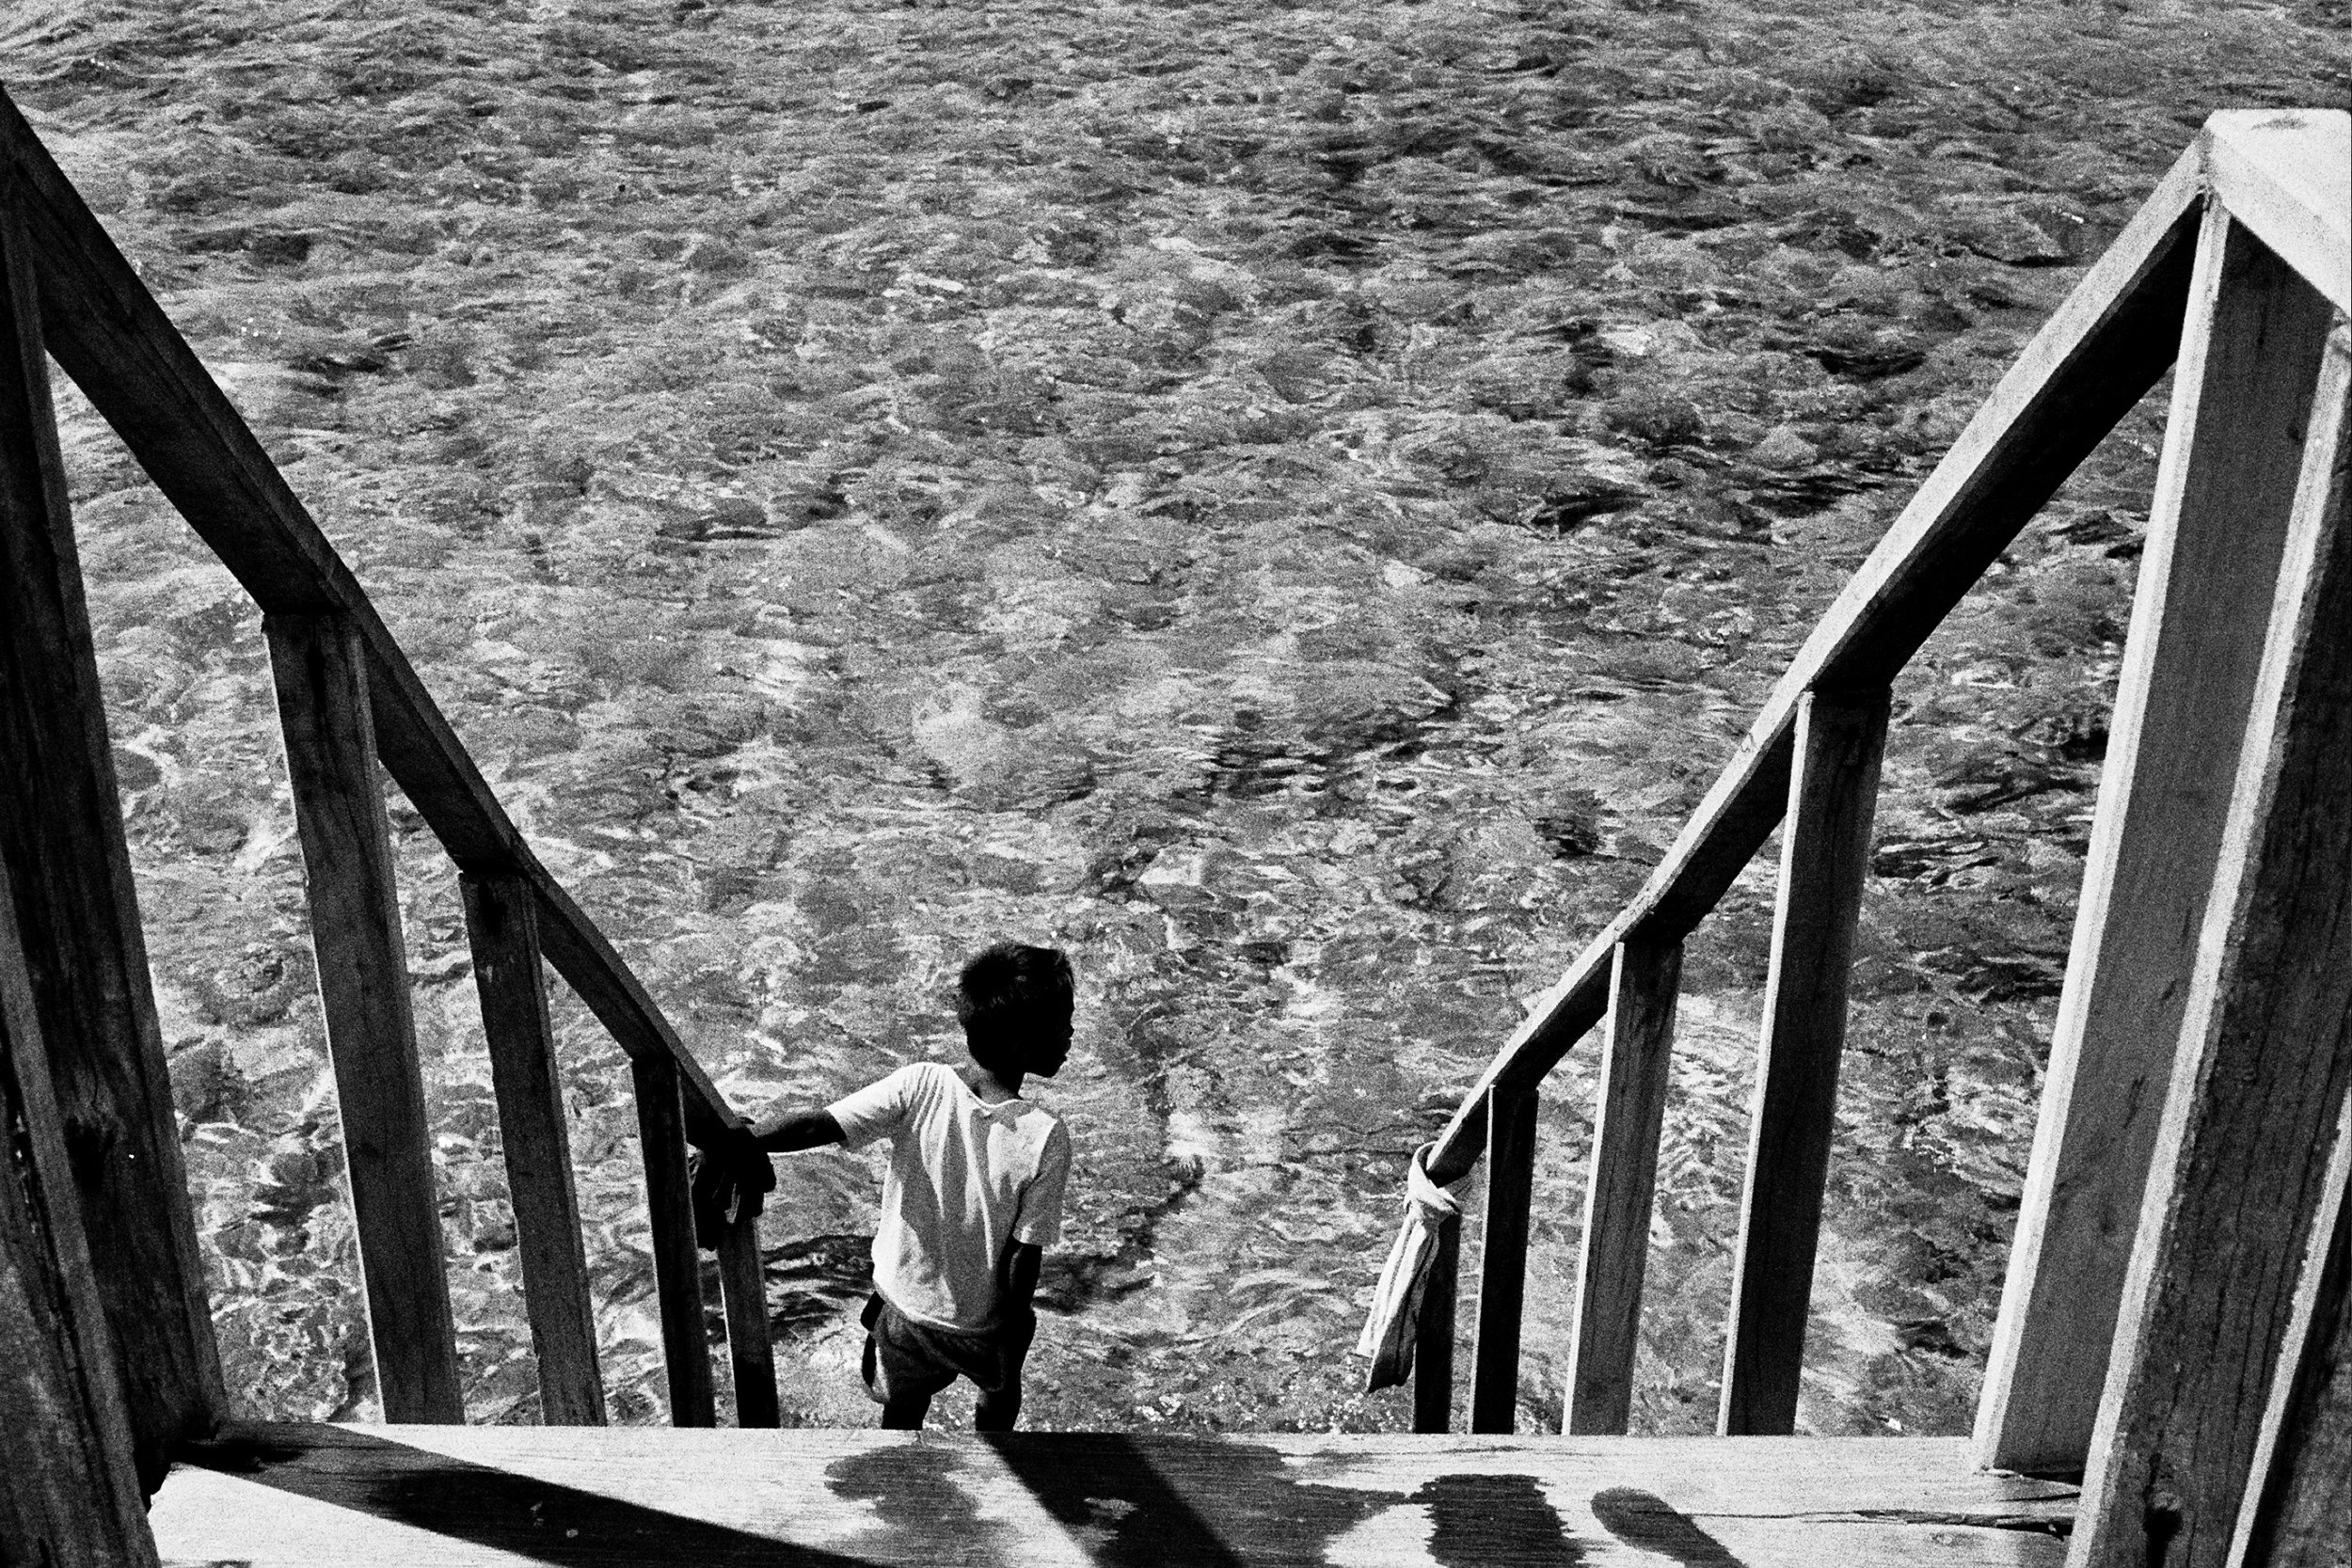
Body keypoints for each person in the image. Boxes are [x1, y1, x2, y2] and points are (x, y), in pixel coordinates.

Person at [692, 942, 1076, 1431]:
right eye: (1062, 1023)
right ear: (1021, 1040)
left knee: (901, 1411)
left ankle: (898, 1469)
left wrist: (738, 1140)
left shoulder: (920, 1084)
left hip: (905, 1310)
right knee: (998, 1399)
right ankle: (998, 1461)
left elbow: (819, 1125)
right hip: (980, 1324)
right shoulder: (1044, 1134)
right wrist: (1014, 1327)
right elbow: (1024, 1253)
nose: (1069, 1034)